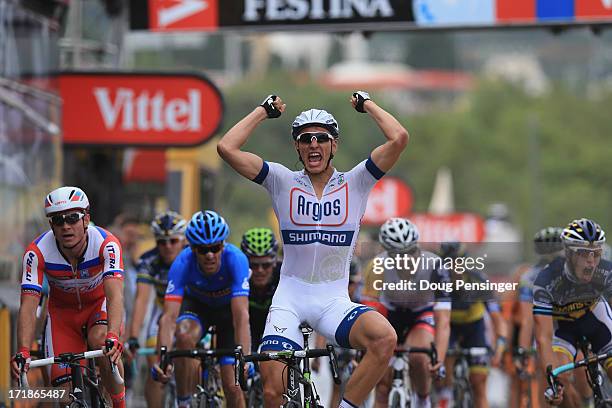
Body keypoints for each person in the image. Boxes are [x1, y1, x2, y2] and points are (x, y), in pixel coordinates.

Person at [217, 91, 407, 408]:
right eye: (305, 139)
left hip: (332, 301)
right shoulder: (282, 180)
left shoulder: (357, 182)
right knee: (272, 392)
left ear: (334, 145)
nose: (313, 144)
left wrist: (368, 105)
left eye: (321, 138)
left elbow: (399, 138)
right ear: (297, 147)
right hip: (289, 299)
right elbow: (226, 148)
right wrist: (263, 111)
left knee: (385, 338)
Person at [11, 186, 126, 407]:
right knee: (64, 396)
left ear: (86, 219)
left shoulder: (106, 244)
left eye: (73, 218)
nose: (66, 226)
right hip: (62, 318)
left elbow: (114, 295)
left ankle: (120, 403)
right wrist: (23, 350)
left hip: (97, 307)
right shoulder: (37, 252)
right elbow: (28, 305)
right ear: (51, 225)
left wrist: (113, 334)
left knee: (101, 341)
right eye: (58, 220)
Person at [152, 210, 250, 408]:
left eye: (215, 247)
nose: (210, 255)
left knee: (233, 386)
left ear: (223, 245)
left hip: (227, 314)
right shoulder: (182, 263)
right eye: (202, 250)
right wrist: (161, 359)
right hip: (197, 308)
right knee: (184, 335)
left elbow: (240, 315)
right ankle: (184, 401)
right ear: (192, 249)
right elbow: (168, 317)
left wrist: (246, 358)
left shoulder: (236, 259)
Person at [362, 218, 450, 408]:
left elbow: (443, 320)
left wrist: (439, 360)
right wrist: (361, 352)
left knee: (419, 357)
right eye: (398, 254)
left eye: (411, 251)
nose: (407, 258)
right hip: (389, 313)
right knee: (382, 387)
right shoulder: (376, 266)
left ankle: (422, 399)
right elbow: (368, 313)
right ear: (388, 253)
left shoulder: (435, 266)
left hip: (420, 313)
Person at [533, 218, 611, 406]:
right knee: (562, 381)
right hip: (564, 330)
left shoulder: (606, 272)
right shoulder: (546, 281)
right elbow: (543, 337)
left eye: (596, 253)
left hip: (596, 320)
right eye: (584, 253)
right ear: (568, 253)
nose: (591, 262)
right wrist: (552, 380)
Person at [126, 211, 187, 408]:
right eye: (162, 242)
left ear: (183, 240)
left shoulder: (193, 257)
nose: (168, 247)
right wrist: (134, 336)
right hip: (162, 311)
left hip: (190, 310)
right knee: (157, 364)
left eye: (173, 241)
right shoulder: (149, 261)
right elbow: (141, 300)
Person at [435, 242, 507, 408]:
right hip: (448, 327)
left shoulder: (479, 280)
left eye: (457, 263)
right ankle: (444, 395)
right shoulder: (436, 281)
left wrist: (500, 345)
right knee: (445, 361)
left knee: (479, 383)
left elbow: (497, 318)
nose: (453, 268)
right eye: (448, 264)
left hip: (474, 328)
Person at [240, 227, 280, 352]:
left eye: (266, 265)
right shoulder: (238, 277)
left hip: (276, 326)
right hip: (248, 326)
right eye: (253, 265)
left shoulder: (284, 276)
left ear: (274, 262)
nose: (260, 270)